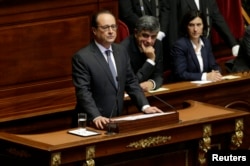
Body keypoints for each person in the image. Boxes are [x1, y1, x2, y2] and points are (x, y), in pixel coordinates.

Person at [72, 10, 163, 130]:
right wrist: (96, 116)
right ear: (94, 30)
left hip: (116, 119)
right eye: (105, 27)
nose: (111, 31)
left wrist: (145, 106)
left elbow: (131, 82)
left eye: (113, 27)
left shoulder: (120, 51)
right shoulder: (83, 57)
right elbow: (83, 92)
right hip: (92, 123)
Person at [165, 0, 240, 70]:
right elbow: (173, 25)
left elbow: (218, 19)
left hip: (204, 48)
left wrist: (233, 44)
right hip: (185, 51)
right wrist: (175, 52)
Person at [170, 10, 222, 82]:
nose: (195, 29)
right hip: (186, 87)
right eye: (191, 25)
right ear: (186, 26)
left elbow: (214, 65)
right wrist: (205, 76)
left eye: (198, 24)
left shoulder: (206, 42)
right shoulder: (180, 45)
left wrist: (216, 73)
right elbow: (181, 74)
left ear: (203, 26)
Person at [120, 15, 164, 91]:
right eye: (145, 35)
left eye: (153, 36)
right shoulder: (123, 49)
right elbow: (130, 83)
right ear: (136, 33)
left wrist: (152, 83)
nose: (149, 41)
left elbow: (159, 75)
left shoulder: (158, 45)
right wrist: (150, 60)